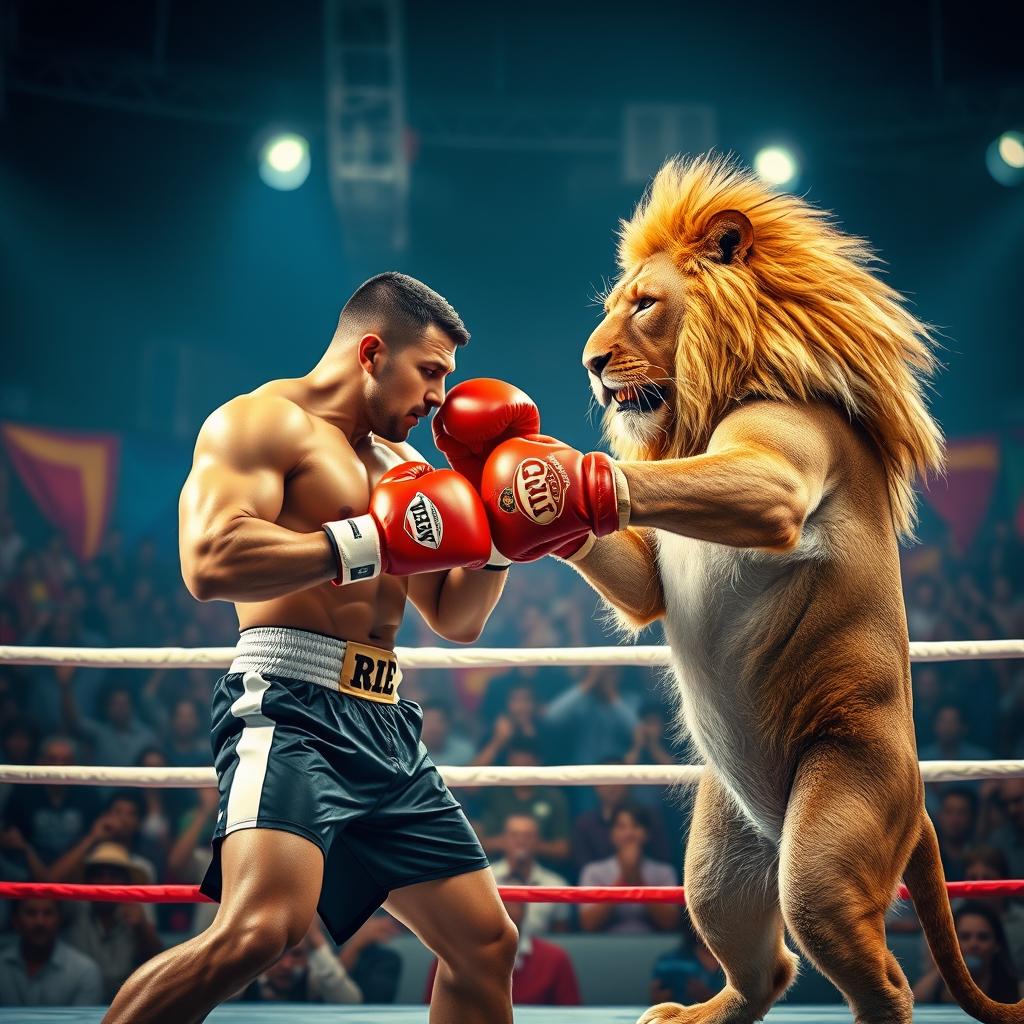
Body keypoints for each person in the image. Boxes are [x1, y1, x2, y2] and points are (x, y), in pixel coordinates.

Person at [103, 274, 533, 1024]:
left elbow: (454, 617)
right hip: (290, 707)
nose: (439, 397)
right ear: (373, 351)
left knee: (484, 942)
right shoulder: (262, 424)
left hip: (386, 723)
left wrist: (501, 541)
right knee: (257, 932)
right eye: (431, 372)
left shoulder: (405, 469)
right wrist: (365, 541)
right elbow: (209, 559)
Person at [424, 897, 581, 1006]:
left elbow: (572, 1015)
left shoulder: (555, 958)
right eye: (495, 898)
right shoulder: (450, 957)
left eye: (512, 901)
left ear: (525, 909)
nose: (504, 906)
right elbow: (429, 1011)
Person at [63, 842, 164, 1000]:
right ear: (88, 881)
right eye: (99, 875)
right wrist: (93, 836)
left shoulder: (135, 914)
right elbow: (46, 882)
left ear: (127, 883)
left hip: (123, 1007)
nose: (106, 882)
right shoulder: (73, 910)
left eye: (114, 876)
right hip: (75, 1007)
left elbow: (159, 964)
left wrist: (141, 927)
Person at [579, 802, 679, 934]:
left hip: (654, 943)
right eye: (621, 827)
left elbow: (671, 923)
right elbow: (588, 924)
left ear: (647, 834)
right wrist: (623, 879)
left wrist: (637, 878)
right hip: (605, 945)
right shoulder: (593, 871)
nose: (629, 833)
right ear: (612, 834)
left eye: (636, 826)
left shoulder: (664, 872)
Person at [912, 901, 1021, 1004]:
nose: (973, 944)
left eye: (983, 937)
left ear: (997, 945)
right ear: (952, 943)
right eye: (965, 937)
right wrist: (944, 963)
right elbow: (913, 1003)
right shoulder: (934, 986)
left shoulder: (1016, 990)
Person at [0, 899, 103, 1006]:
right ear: (15, 920)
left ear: (59, 919)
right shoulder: (2, 966)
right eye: (31, 913)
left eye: (48, 913)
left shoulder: (84, 972)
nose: (40, 922)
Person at [239, 917, 361, 1004]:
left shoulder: (313, 981)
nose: (287, 965)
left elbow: (351, 1000)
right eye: (278, 955)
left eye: (297, 955)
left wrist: (315, 937)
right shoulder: (245, 983)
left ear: (308, 956)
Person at [489, 813, 570, 934]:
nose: (521, 841)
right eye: (514, 835)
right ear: (503, 840)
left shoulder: (556, 884)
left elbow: (561, 939)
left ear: (538, 841)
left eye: (528, 836)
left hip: (541, 951)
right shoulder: (485, 880)